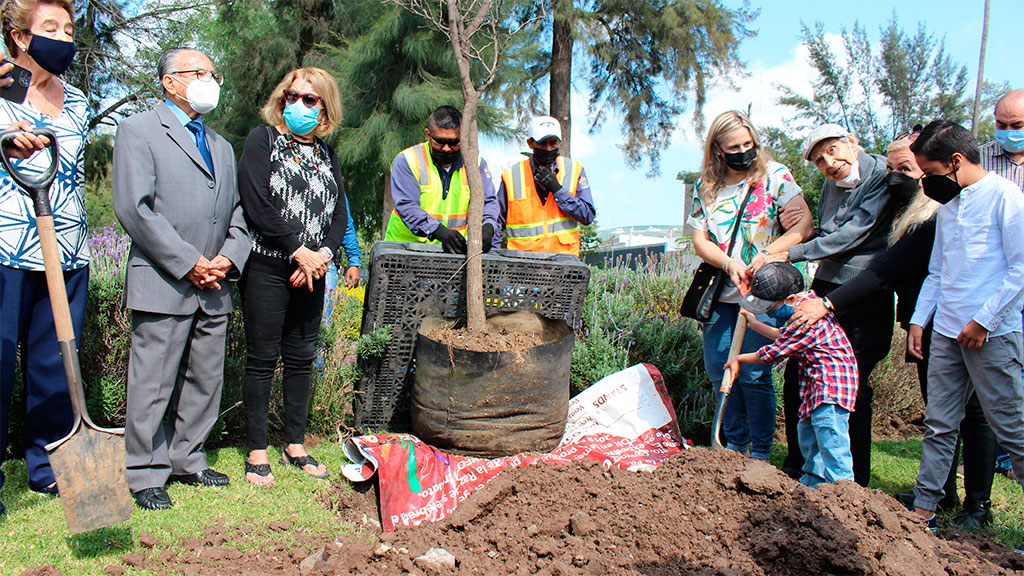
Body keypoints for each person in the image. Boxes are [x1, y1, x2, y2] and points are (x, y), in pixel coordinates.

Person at [788, 134, 976, 515]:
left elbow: (879, 269)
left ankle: (967, 501)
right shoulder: (911, 211)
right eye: (891, 169)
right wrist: (917, 321)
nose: (895, 178)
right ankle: (935, 495)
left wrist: (824, 301)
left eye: (906, 169)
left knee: (977, 415)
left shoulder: (937, 212)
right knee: (940, 412)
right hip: (920, 314)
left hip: (967, 319)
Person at [112, 47, 251, 510]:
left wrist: (228, 259)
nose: (210, 81)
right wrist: (189, 261)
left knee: (205, 379)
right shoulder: (138, 130)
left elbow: (237, 211)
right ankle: (145, 471)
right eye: (200, 73)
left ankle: (187, 459)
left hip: (215, 283)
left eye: (214, 74)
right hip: (164, 279)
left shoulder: (222, 146)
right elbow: (135, 208)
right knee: (152, 382)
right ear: (171, 81)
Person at [904, 120, 1024, 531]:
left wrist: (982, 321)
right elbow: (938, 272)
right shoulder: (950, 206)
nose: (926, 182)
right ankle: (924, 509)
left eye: (931, 173)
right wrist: (920, 321)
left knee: (1012, 428)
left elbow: (1020, 269)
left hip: (992, 335)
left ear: (955, 161)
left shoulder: (1006, 198)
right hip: (946, 333)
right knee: (939, 423)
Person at [768, 123, 900, 486]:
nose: (829, 162)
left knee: (850, 386)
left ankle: (852, 483)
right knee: (801, 370)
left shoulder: (880, 177)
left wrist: (784, 251)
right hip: (826, 283)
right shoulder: (830, 183)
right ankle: (801, 466)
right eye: (818, 159)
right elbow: (826, 231)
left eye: (833, 150)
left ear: (851, 143)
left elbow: (848, 236)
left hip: (863, 291)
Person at [237, 67, 349, 486]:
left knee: (301, 359)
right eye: (292, 96)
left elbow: (339, 212)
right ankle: (256, 450)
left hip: (313, 272)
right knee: (262, 359)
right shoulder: (261, 140)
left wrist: (323, 254)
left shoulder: (328, 155)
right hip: (269, 266)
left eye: (309, 99)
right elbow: (255, 199)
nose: (298, 105)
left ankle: (295, 444)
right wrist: (297, 249)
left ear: (325, 107)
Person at [0, 0, 88, 510]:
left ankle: (45, 466)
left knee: (53, 364)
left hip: (66, 249)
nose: (64, 36)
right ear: (19, 37)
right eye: (49, 27)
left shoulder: (76, 99)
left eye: (69, 28)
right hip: (7, 248)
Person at [687, 110, 813, 461]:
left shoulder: (775, 176)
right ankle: (733, 447)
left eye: (748, 144)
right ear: (717, 150)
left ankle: (760, 453)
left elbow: (803, 225)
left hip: (764, 294)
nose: (743, 151)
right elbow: (700, 240)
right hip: (722, 295)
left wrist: (767, 254)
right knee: (719, 371)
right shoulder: (707, 187)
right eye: (733, 147)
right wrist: (729, 263)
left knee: (754, 374)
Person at [726, 262, 858, 488]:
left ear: (790, 300)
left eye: (770, 309)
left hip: (831, 388)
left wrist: (738, 359)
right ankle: (812, 482)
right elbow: (783, 336)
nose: (769, 313)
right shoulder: (803, 308)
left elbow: (772, 353)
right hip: (817, 388)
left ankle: (844, 490)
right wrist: (755, 324)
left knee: (831, 439)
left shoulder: (806, 320)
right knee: (807, 434)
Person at [384, 105, 499, 252]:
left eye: (453, 143)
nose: (446, 148)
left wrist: (488, 227)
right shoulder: (409, 160)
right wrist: (438, 231)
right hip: (405, 251)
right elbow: (407, 205)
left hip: (452, 253)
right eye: (439, 141)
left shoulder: (475, 164)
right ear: (428, 135)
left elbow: (488, 202)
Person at [492, 116, 596, 256]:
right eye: (542, 143)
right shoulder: (512, 175)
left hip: (564, 264)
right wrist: (492, 255)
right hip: (522, 266)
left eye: (553, 143)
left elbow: (587, 215)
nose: (548, 148)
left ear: (560, 141)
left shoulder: (574, 170)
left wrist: (558, 190)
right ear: (530, 143)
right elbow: (496, 221)